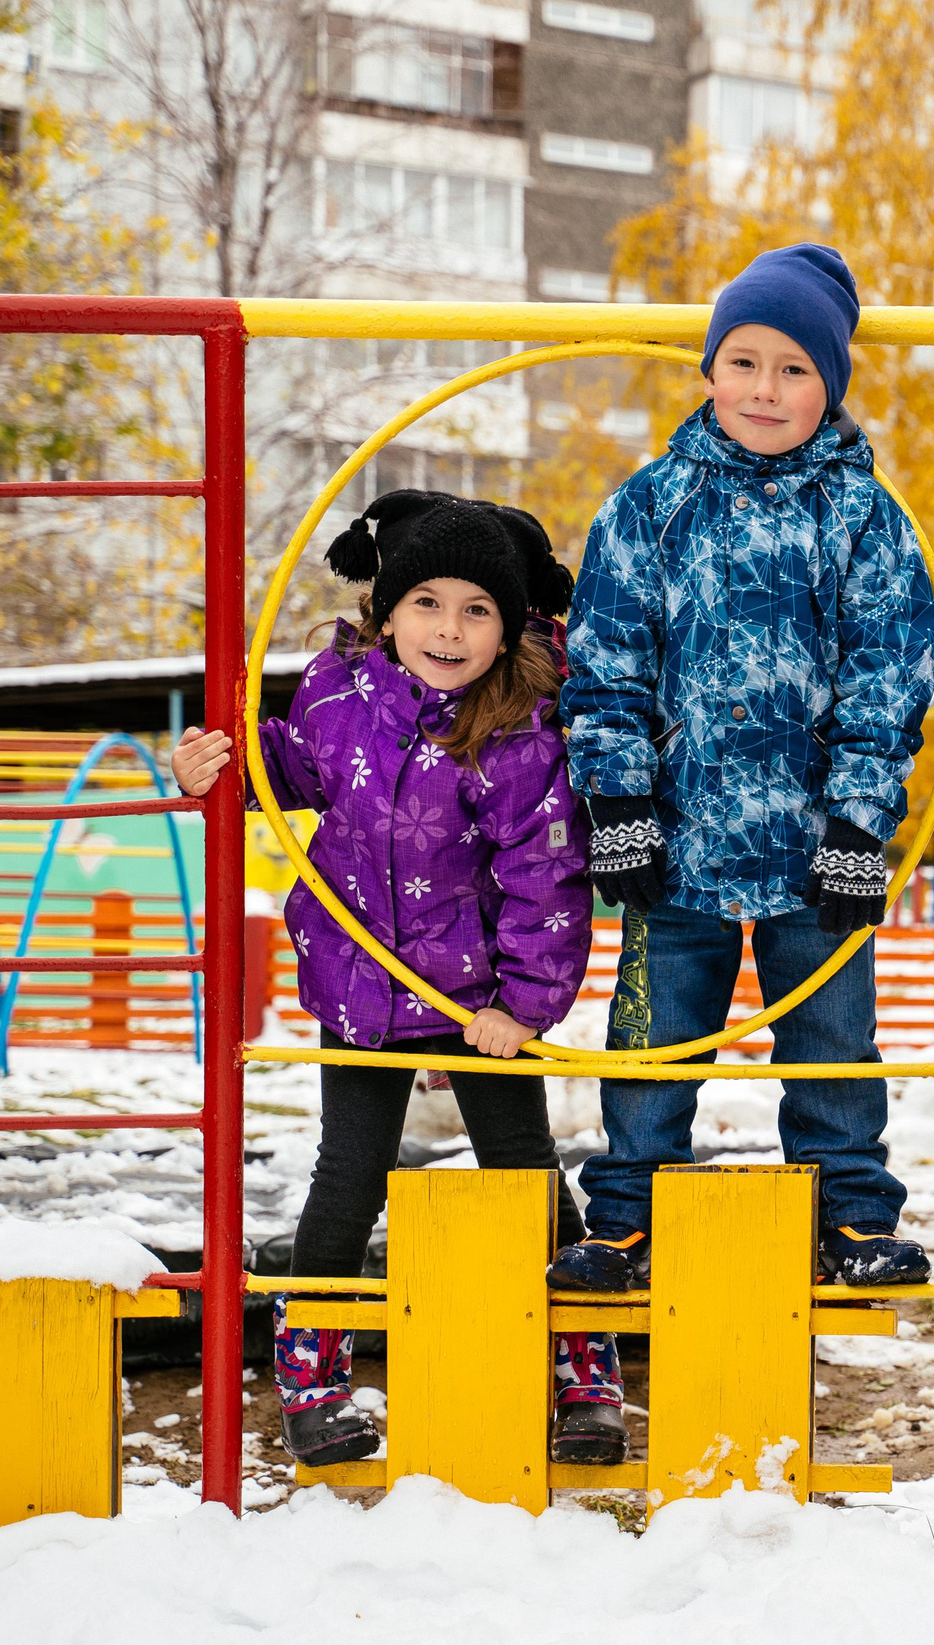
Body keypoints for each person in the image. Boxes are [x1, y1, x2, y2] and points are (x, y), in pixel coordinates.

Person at [170, 490, 613, 1467]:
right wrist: (224, 767)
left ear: (511, 625)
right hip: (363, 979)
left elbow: (547, 876)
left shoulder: (520, 726)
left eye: (476, 610)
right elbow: (292, 777)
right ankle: (313, 1386)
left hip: (476, 995)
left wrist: (519, 1007)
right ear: (387, 609)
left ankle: (585, 1381)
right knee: (348, 1177)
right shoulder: (337, 694)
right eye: (427, 604)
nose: (448, 630)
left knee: (527, 1179)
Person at [552, 243, 934, 1291]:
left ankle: (852, 1208)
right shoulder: (651, 504)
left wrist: (860, 824)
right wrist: (619, 798)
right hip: (675, 839)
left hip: (816, 842)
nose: (766, 390)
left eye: (795, 370)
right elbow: (606, 658)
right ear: (710, 371)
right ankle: (625, 1213)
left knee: (830, 1039)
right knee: (654, 1038)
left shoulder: (862, 516)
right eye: (746, 362)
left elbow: (889, 673)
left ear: (830, 386)